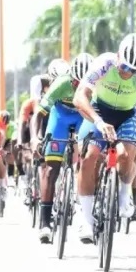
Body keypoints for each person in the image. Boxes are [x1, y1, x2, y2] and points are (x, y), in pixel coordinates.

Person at [73, 33, 136, 244]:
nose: (128, 73)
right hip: (99, 111)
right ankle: (86, 218)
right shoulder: (104, 63)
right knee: (90, 156)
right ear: (118, 56)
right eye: (125, 67)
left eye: (134, 70)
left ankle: (124, 196)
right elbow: (79, 96)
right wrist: (99, 122)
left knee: (128, 155)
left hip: (128, 114)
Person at [33, 53, 93, 242]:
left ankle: (87, 217)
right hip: (60, 117)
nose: (77, 86)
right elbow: (39, 114)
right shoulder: (61, 83)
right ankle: (45, 224)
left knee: (89, 160)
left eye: (82, 83)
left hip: (83, 116)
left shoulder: (97, 85)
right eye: (75, 82)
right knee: (51, 170)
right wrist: (35, 138)